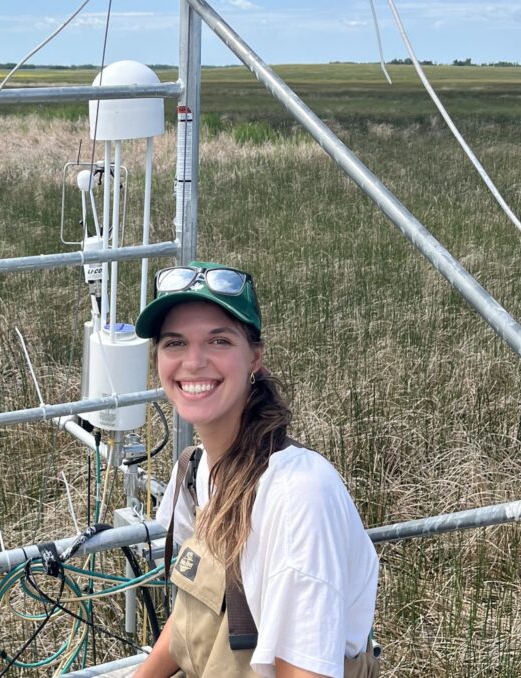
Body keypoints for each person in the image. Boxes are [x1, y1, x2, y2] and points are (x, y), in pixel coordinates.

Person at [131, 262, 379, 678]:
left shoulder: (298, 495)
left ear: (255, 359)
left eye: (219, 341)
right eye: (175, 343)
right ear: (158, 360)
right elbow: (193, 614)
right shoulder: (192, 472)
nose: (193, 362)